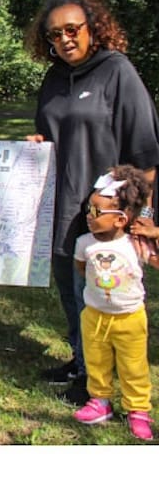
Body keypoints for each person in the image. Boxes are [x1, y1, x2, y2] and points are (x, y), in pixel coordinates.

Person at [25, 0, 159, 405]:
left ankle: (96, 382)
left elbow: (145, 153)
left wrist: (143, 216)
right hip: (63, 207)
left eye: (72, 30)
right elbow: (51, 133)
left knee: (105, 298)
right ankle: (82, 360)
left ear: (92, 29)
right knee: (72, 292)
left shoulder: (117, 71)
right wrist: (37, 142)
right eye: (54, 35)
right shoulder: (53, 79)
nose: (64, 39)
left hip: (106, 215)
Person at [72, 165, 153, 441]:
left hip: (130, 318)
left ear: (120, 219)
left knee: (134, 366)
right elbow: (83, 268)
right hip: (94, 315)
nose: (89, 216)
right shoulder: (84, 243)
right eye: (88, 210)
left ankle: (138, 410)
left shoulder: (136, 244)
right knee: (97, 361)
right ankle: (100, 402)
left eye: (96, 212)